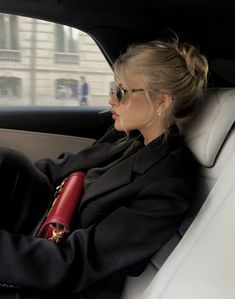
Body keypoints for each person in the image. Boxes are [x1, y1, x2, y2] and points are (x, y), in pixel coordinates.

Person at [0, 38, 208, 299]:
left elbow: (74, 263)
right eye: (113, 88)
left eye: (122, 92)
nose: (111, 99)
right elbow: (60, 169)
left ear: (162, 102)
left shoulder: (168, 184)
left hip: (64, 272)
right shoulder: (127, 138)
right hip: (47, 222)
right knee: (7, 161)